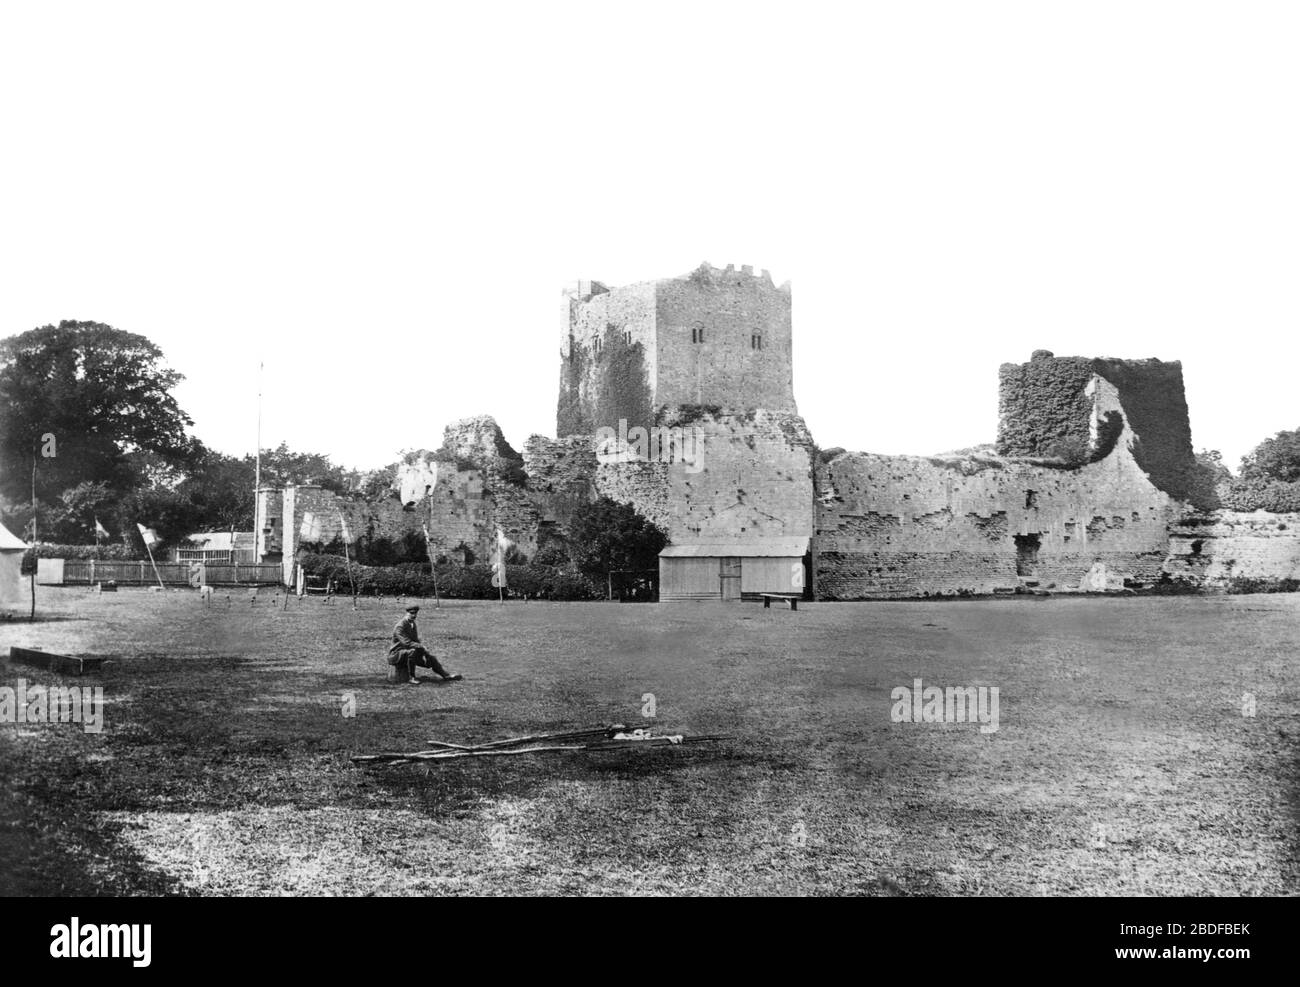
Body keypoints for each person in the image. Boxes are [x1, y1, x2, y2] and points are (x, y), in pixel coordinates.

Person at [387, 604, 461, 684]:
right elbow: (406, 643)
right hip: (396, 654)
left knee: (430, 657)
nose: (414, 615)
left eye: (415, 613)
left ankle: (445, 675)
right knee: (412, 652)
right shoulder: (400, 626)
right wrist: (421, 647)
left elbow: (415, 640)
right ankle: (411, 677)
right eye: (411, 613)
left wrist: (425, 652)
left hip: (408, 652)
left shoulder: (412, 624)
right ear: (406, 613)